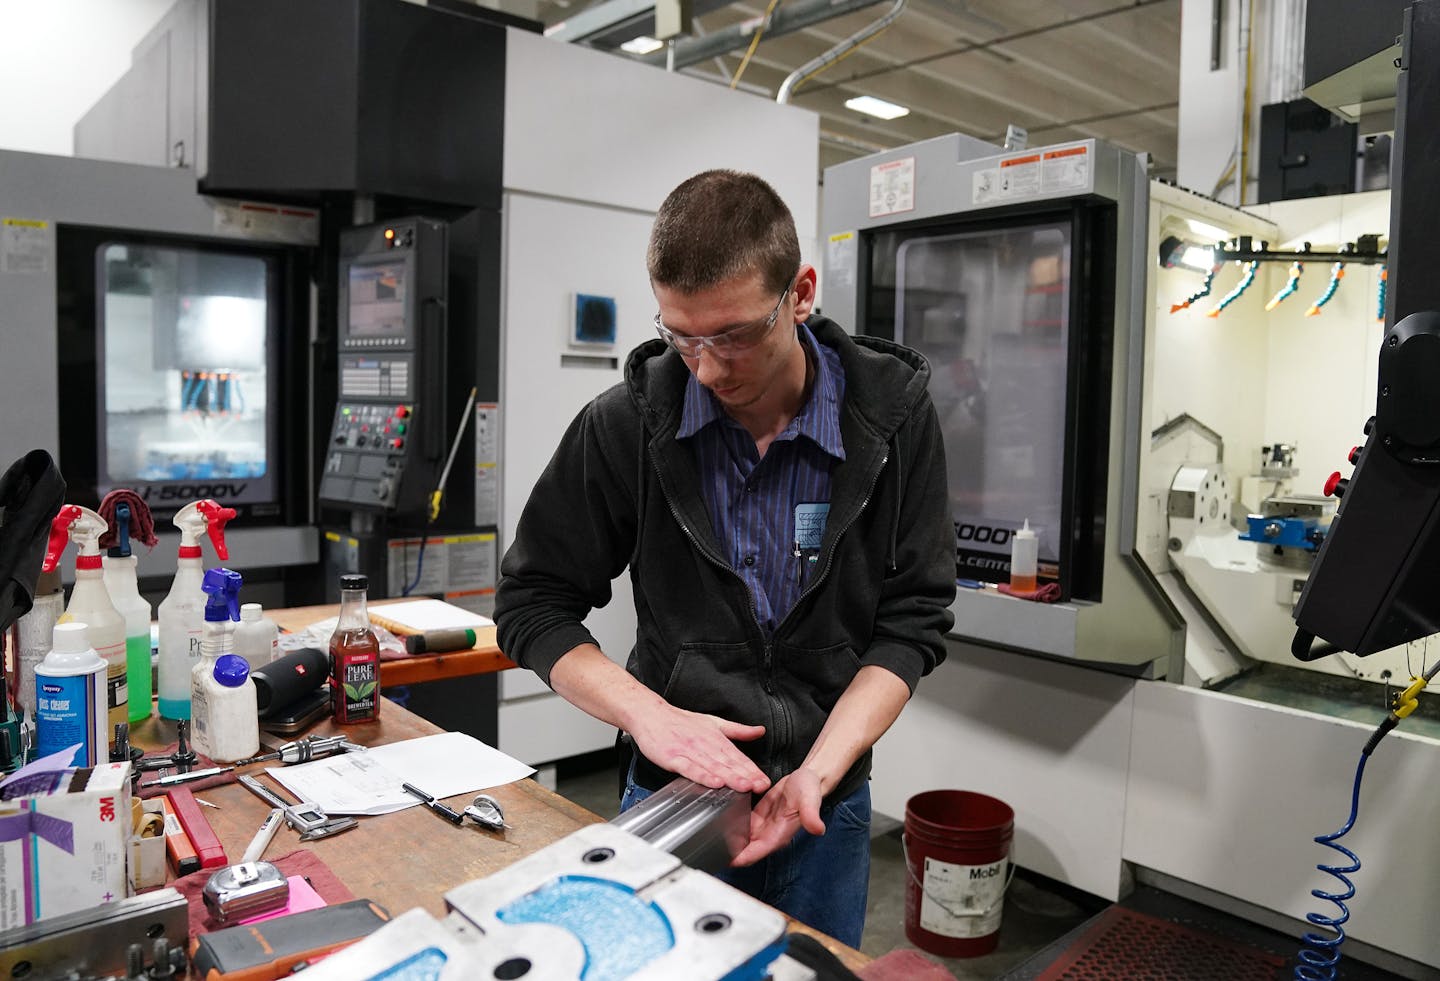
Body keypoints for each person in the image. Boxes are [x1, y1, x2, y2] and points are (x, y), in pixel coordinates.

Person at [494, 169, 955, 946]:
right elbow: (531, 603)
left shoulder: (892, 423)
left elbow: (911, 623)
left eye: (734, 336)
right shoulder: (626, 425)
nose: (706, 367)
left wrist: (819, 768)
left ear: (801, 292)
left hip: (824, 803)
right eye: (682, 335)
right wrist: (650, 716)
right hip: (668, 800)